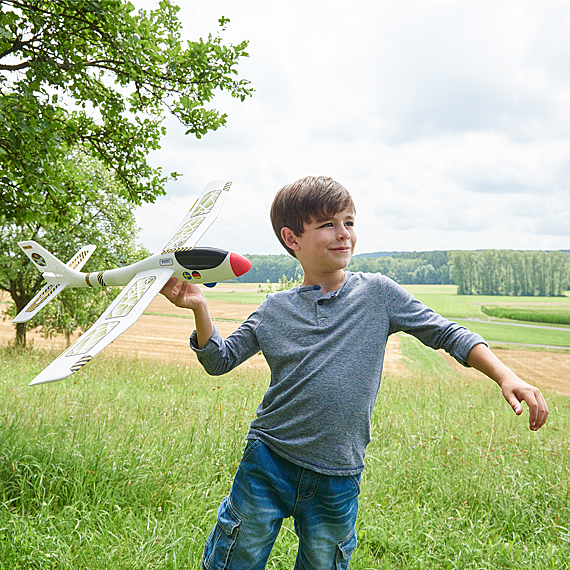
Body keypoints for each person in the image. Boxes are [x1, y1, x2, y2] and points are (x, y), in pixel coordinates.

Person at [160, 175, 549, 570]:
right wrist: (199, 308)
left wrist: (506, 375)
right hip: (268, 460)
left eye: (349, 222)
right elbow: (219, 360)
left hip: (338, 473)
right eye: (328, 224)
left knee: (324, 563)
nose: (343, 234)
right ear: (292, 238)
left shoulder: (378, 293)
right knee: (236, 557)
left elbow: (448, 333)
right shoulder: (273, 309)